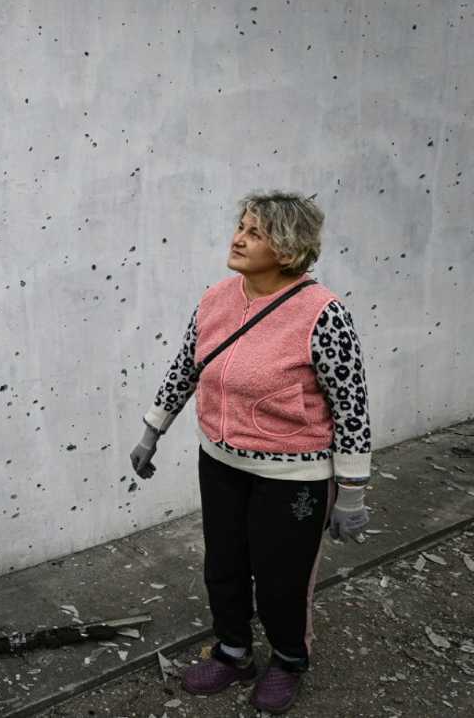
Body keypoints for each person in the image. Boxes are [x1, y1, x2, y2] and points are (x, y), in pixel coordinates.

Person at [130, 191, 371, 714]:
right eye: (241, 226)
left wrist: (351, 490)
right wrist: (153, 429)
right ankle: (233, 651)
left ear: (287, 249)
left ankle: (288, 659)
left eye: (255, 232)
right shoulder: (217, 297)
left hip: (294, 476)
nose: (238, 238)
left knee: (282, 576)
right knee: (224, 564)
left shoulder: (322, 314)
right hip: (219, 463)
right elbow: (185, 368)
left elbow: (351, 404)